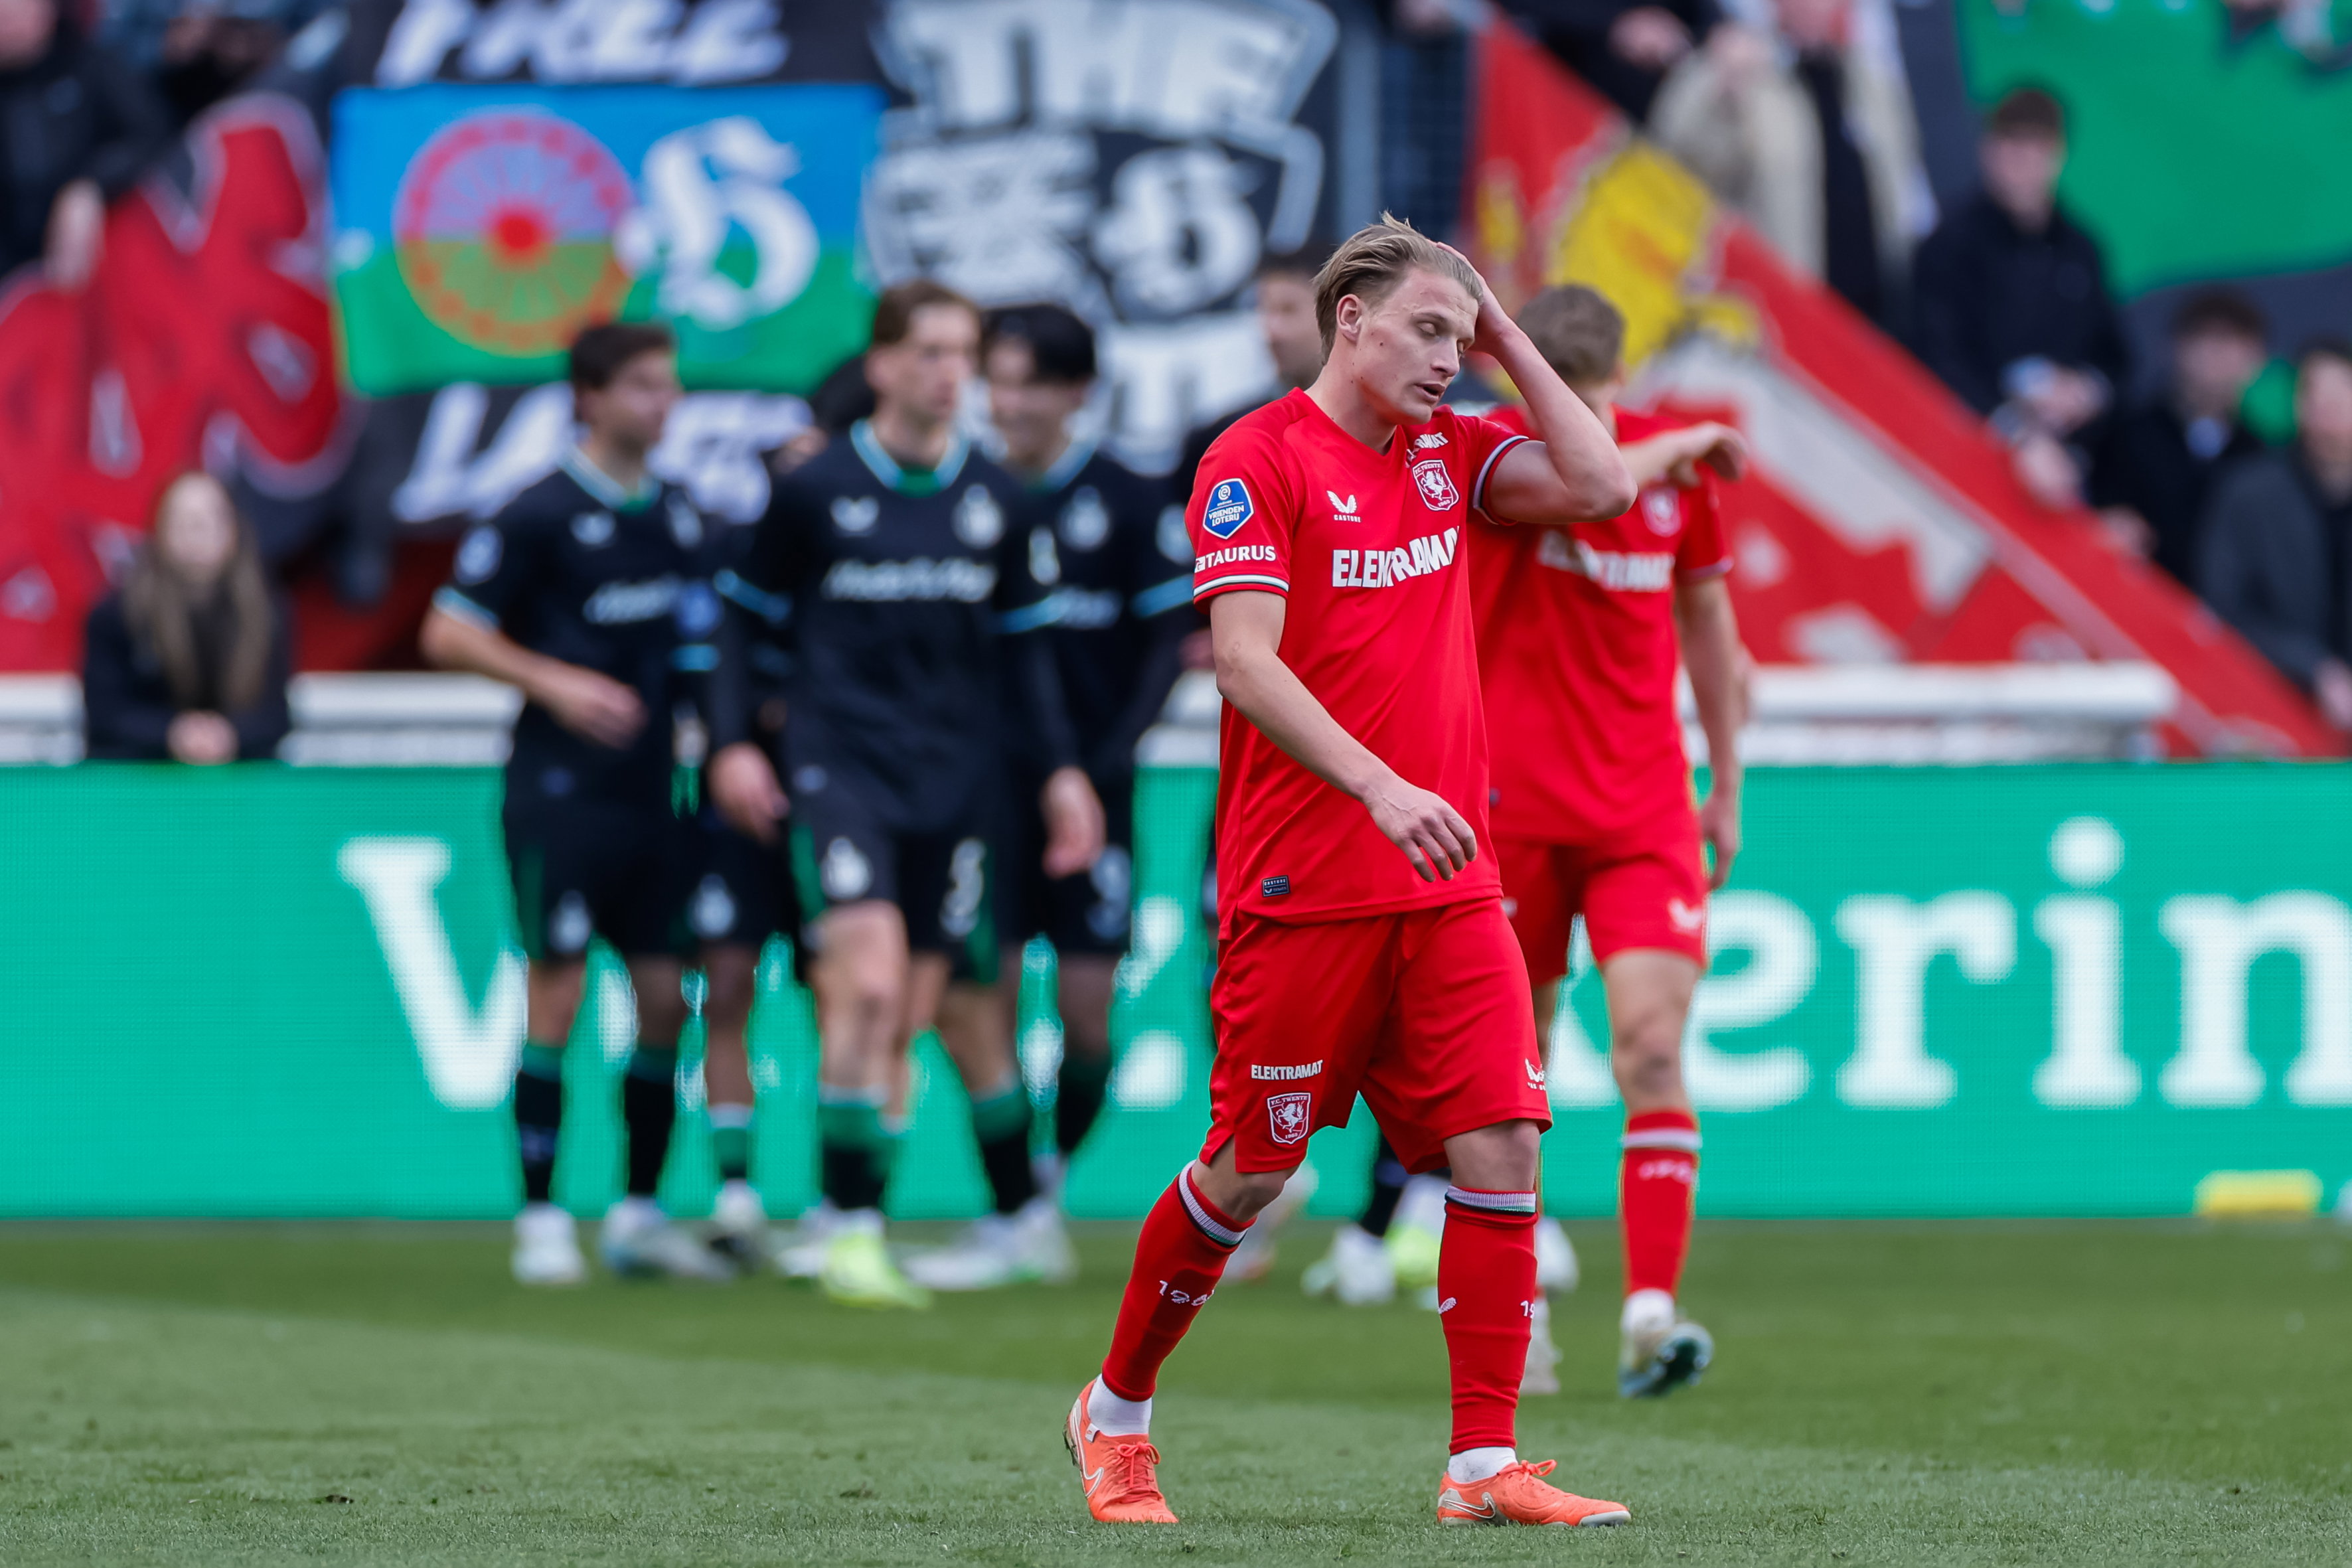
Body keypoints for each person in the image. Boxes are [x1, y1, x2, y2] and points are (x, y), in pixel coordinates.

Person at [1063, 216, 1638, 1529]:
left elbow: (1601, 485)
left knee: (1498, 1142)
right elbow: (1246, 663)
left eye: (1462, 335)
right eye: (1429, 331)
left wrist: (1505, 336)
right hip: (1302, 882)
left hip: (1446, 881)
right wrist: (1379, 783)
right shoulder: (1253, 459)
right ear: (1349, 323)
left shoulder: (1453, 452)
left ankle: (1483, 1461)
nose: (1450, 359)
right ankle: (1115, 1409)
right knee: (1247, 1173)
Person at [706, 280, 1103, 1310]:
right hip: (842, 773)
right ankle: (847, 1229)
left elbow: (1026, 659)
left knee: (955, 1010)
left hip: (959, 787)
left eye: (960, 352)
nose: (946, 372)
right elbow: (742, 625)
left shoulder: (995, 501)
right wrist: (730, 744)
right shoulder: (815, 492)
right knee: (871, 984)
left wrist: (1061, 775)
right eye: (927, 350)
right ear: (880, 364)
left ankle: (1001, 1216)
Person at [1468, 285, 1747, 1397]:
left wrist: (1723, 784)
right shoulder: (1496, 459)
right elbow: (1601, 482)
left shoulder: (1676, 484)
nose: (1571, 416)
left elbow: (1712, 628)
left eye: (1588, 397)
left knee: (1649, 1048)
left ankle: (1648, 1312)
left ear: (1617, 385)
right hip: (1508, 813)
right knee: (1510, 1072)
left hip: (1639, 811)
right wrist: (1675, 441)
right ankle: (1518, 1305)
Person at [418, 321, 732, 1287]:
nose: (662, 402)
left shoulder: (679, 515)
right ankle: (543, 1217)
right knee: (554, 991)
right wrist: (555, 682)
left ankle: (636, 1212)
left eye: (668, 384)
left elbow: (698, 651)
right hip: (558, 793)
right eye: (641, 385)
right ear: (588, 399)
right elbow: (446, 631)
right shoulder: (536, 513)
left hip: (653, 797)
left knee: (662, 1001)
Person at [904, 305, 1197, 1293]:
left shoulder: (1125, 496)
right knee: (971, 993)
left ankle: (1044, 1177)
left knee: (1085, 1017)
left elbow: (1167, 644)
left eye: (1030, 381)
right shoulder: (962, 493)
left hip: (1097, 789)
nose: (1010, 400)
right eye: (1000, 378)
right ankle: (1011, 1207)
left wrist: (1106, 758)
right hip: (978, 791)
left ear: (1076, 391)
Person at [1909, 87, 2128, 511]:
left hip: (2069, 465)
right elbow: (1936, 360)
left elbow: (2116, 357)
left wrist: (2085, 390)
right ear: (1987, 150)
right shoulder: (1948, 246)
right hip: (1971, 462)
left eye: (2036, 147)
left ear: (2058, 154)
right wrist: (2016, 428)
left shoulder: (2080, 249)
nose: (2022, 162)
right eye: (2011, 144)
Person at [1649, 0, 1927, 327]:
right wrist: (1722, 91)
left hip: (1874, 319)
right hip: (1777, 320)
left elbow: (1900, 194)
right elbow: (1679, 165)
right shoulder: (1735, 70)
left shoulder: (1870, 83)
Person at [2197, 338, 2352, 736]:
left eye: (2342, 390)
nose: (2327, 406)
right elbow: (2222, 609)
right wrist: (2314, 668)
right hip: (2267, 710)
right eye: (2313, 391)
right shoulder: (2249, 493)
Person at [83, 471, 290, 763]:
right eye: (183, 520)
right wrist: (172, 733)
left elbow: (276, 717)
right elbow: (103, 715)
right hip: (139, 786)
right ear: (160, 531)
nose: (197, 532)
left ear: (234, 531)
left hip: (236, 791)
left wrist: (230, 735)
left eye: (209, 520)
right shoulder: (118, 614)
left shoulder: (266, 613)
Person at [2088, 289, 2269, 588]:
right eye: (2206, 339)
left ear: (2257, 360)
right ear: (2175, 348)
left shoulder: (2259, 459)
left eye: (2233, 342)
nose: (2218, 355)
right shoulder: (2125, 431)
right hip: (2130, 596)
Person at [0, 0, 169, 286]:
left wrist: (92, 185)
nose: (9, 26)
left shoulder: (91, 64)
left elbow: (153, 134)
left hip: (99, 257)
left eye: (19, 12)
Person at [1172, 253, 1328, 498]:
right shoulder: (1223, 439)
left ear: (1340, 315)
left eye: (1289, 311)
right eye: (1264, 311)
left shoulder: (1386, 433)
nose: (1271, 330)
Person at [1502, 0, 1743, 123]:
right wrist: (1615, 25)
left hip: (1685, 77)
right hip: (1585, 99)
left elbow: (1706, 14)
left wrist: (1721, 31)